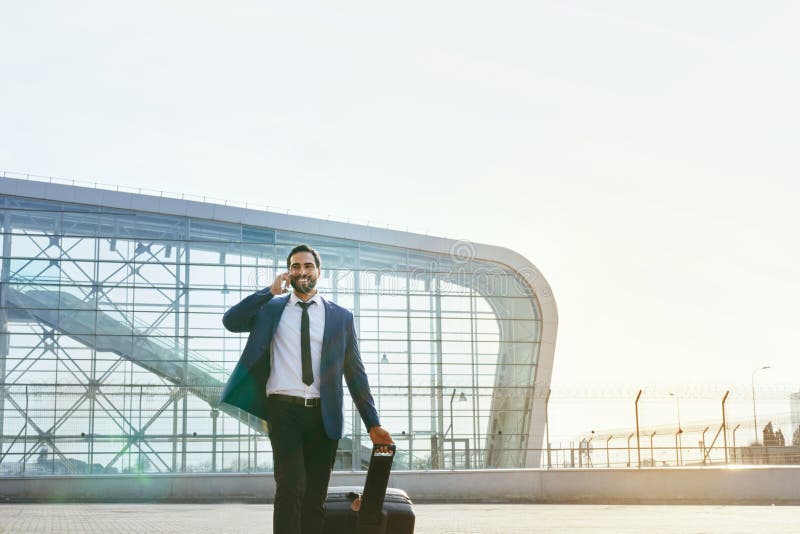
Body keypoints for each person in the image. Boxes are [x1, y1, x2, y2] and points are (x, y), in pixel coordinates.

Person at [220, 244, 393, 534]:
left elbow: (355, 373)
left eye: (307, 266)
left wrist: (372, 423)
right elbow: (231, 320)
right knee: (290, 486)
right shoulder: (271, 309)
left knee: (315, 496)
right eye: (295, 266)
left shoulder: (340, 317)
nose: (302, 271)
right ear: (288, 273)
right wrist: (268, 292)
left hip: (322, 414)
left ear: (318, 272)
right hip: (282, 409)